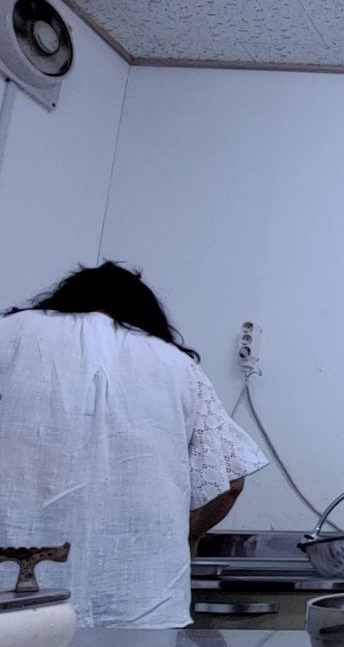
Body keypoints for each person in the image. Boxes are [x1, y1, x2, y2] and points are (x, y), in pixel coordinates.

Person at [0, 262, 267, 627]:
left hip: (10, 599)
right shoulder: (175, 365)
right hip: (137, 601)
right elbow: (230, 484)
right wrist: (177, 532)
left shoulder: (8, 336)